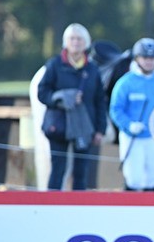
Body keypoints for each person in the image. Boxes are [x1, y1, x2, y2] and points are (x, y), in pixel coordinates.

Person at [38, 23, 106, 191]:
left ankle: (79, 208)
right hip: (59, 125)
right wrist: (60, 98)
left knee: (81, 171)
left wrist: (100, 130)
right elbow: (42, 92)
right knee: (57, 169)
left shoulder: (92, 70)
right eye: (72, 39)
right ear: (65, 42)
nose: (75, 42)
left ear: (86, 43)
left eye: (79, 39)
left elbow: (99, 100)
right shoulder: (54, 65)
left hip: (84, 126)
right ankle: (51, 205)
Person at [109, 38, 154, 192]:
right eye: (145, 58)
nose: (149, 62)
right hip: (133, 137)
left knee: (152, 179)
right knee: (134, 179)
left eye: (152, 58)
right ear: (137, 59)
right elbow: (116, 109)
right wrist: (128, 125)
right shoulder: (125, 83)